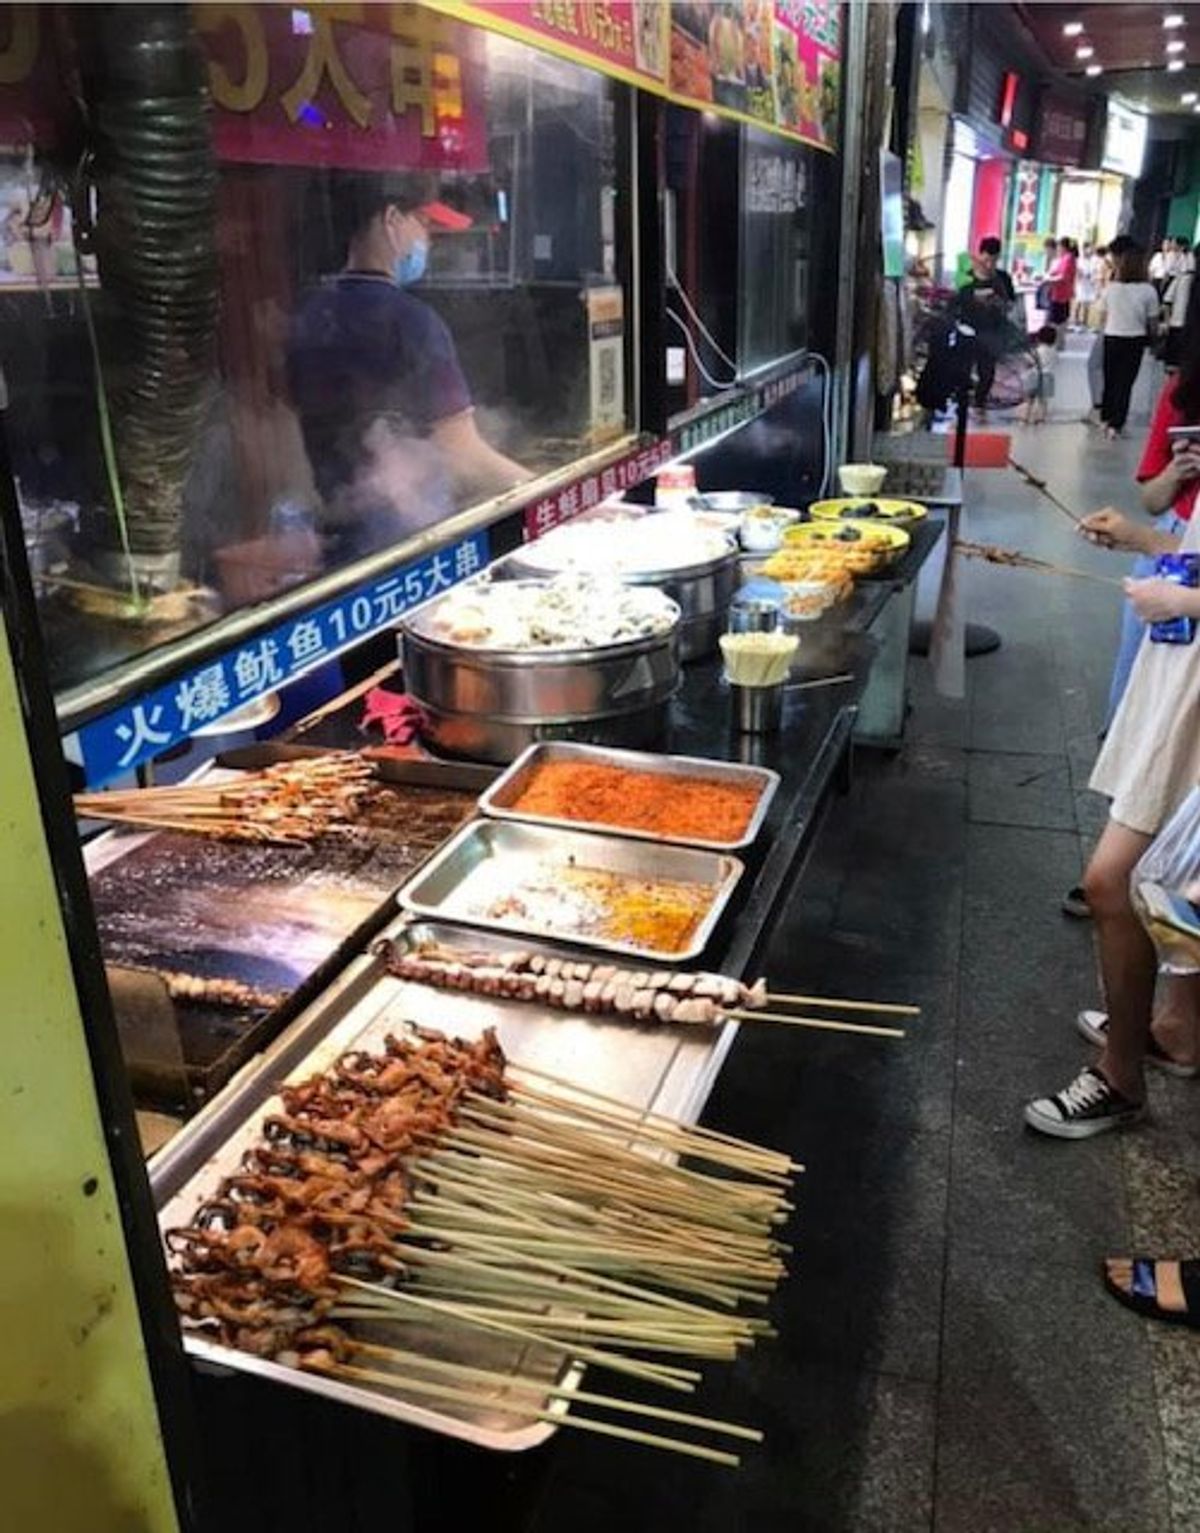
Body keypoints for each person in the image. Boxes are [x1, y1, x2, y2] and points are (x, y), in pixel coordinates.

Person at [287, 173, 529, 567]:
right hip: (407, 542)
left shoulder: (309, 314)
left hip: (336, 542)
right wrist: (551, 495)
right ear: (391, 219)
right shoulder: (411, 322)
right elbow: (463, 455)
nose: (428, 241)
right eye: (424, 224)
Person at [1096, 243, 1159, 439]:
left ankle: (1105, 418)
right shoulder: (1148, 291)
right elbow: (1153, 321)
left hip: (1112, 337)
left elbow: (1102, 316)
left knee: (1110, 378)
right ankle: (1117, 423)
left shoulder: (1111, 289)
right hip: (1135, 340)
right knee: (1125, 382)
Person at [957, 236, 1016, 411]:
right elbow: (957, 300)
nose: (989, 264)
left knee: (987, 371)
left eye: (994, 260)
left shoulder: (1003, 278)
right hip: (968, 329)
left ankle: (980, 403)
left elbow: (1011, 303)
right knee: (963, 368)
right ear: (979, 255)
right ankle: (962, 402)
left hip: (992, 331)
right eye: (986, 259)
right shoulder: (966, 277)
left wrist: (999, 302)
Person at [1161, 236, 1195, 371]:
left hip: (1178, 324)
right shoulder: (1184, 277)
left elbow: (1167, 302)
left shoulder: (1182, 278)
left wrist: (1167, 322)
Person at [1015, 324, 1057, 425]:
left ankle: (1024, 419)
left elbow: (1030, 360)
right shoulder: (1054, 351)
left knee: (1029, 399)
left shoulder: (1037, 351)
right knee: (1043, 400)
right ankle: (1040, 419)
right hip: (1048, 377)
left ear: (1039, 338)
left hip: (1034, 376)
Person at [1047, 236, 1077, 333]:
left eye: (1059, 247)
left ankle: (1057, 342)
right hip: (1059, 293)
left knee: (1057, 320)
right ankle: (1058, 342)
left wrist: (1050, 279)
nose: (1058, 249)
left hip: (1061, 294)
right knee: (1058, 319)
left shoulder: (1068, 258)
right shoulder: (1065, 258)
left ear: (1063, 247)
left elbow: (1063, 277)